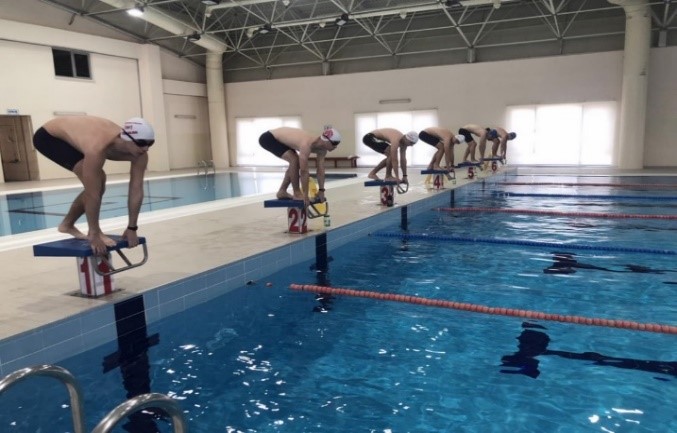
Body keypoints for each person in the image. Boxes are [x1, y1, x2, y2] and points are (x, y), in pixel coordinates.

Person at [33, 116, 155, 256]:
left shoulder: (141, 155)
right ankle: (83, 228)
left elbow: (136, 189)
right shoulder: (97, 147)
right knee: (98, 182)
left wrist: (132, 228)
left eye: (150, 143)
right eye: (141, 143)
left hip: (79, 135)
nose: (145, 148)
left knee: (98, 181)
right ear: (126, 137)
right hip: (50, 137)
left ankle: (67, 225)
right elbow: (92, 194)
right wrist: (94, 233)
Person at [259, 126, 341, 206]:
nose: (336, 147)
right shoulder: (306, 144)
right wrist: (305, 195)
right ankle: (297, 193)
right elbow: (304, 171)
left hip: (281, 138)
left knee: (294, 160)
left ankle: (282, 191)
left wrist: (321, 191)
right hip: (269, 138)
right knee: (294, 160)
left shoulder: (322, 150)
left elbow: (321, 170)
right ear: (326, 141)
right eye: (335, 143)